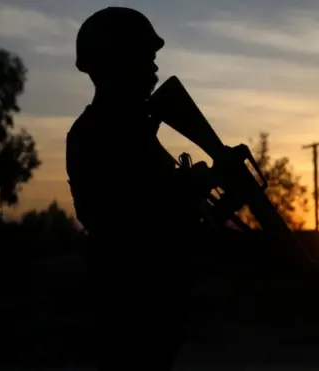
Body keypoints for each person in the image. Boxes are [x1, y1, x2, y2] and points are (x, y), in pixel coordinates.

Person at [65, 7, 213, 371]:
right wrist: (187, 191)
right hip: (131, 311)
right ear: (114, 62)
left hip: (152, 310)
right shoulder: (99, 133)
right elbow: (121, 221)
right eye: (144, 59)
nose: (154, 70)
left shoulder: (136, 132)